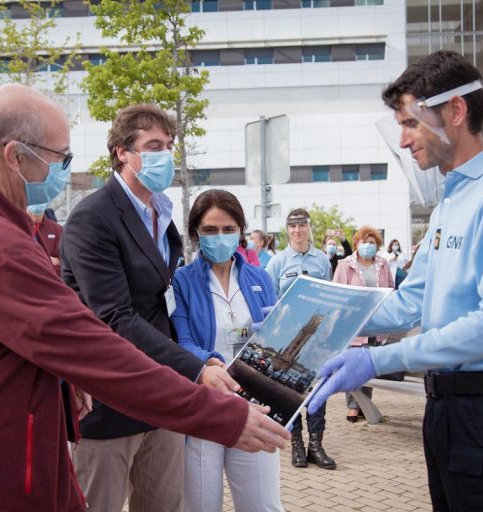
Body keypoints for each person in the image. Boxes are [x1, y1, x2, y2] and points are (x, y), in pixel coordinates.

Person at [0, 85, 289, 512]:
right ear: (15, 155)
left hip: (7, 451)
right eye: (60, 157)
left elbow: (34, 334)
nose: (65, 170)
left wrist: (65, 380)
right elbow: (93, 337)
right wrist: (219, 411)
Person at [308, 50, 483, 510]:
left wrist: (380, 360)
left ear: (456, 111)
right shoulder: (449, 202)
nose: (403, 141)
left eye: (410, 123)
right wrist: (317, 312)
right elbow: (410, 302)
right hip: (445, 408)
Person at [60, 103, 253, 512]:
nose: (165, 155)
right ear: (122, 152)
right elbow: (114, 318)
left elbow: (159, 308)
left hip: (162, 399)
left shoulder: (162, 216)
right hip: (110, 400)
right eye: (153, 145)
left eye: (168, 145)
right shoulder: (92, 218)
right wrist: (196, 369)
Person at [171, 189, 283, 512]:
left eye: (228, 229)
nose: (219, 237)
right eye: (210, 230)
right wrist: (209, 361)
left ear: (240, 231)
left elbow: (274, 335)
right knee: (201, 506)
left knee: (262, 505)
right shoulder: (181, 281)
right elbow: (183, 341)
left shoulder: (260, 278)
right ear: (195, 233)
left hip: (255, 404)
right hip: (205, 404)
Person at [265, 208, 335, 470]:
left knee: (317, 389)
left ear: (309, 228)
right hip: (288, 335)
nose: (297, 231)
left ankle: (316, 444)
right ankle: (296, 443)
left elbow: (328, 296)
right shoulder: (277, 263)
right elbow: (269, 301)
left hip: (317, 335)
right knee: (289, 391)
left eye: (301, 225)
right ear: (287, 230)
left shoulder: (323, 261)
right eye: (292, 226)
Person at [332, 226, 394, 422]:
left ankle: (364, 406)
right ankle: (352, 405)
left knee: (368, 366)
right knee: (352, 366)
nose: (368, 246)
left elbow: (391, 288)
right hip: (354, 325)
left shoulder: (383, 264)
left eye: (372, 242)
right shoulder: (345, 265)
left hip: (377, 322)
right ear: (356, 243)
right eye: (364, 242)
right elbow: (339, 292)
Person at [27, 202, 63, 276]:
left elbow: (66, 265)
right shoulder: (15, 226)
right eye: (35, 199)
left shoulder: (57, 230)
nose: (38, 202)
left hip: (51, 284)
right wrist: (47, 260)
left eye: (41, 199)